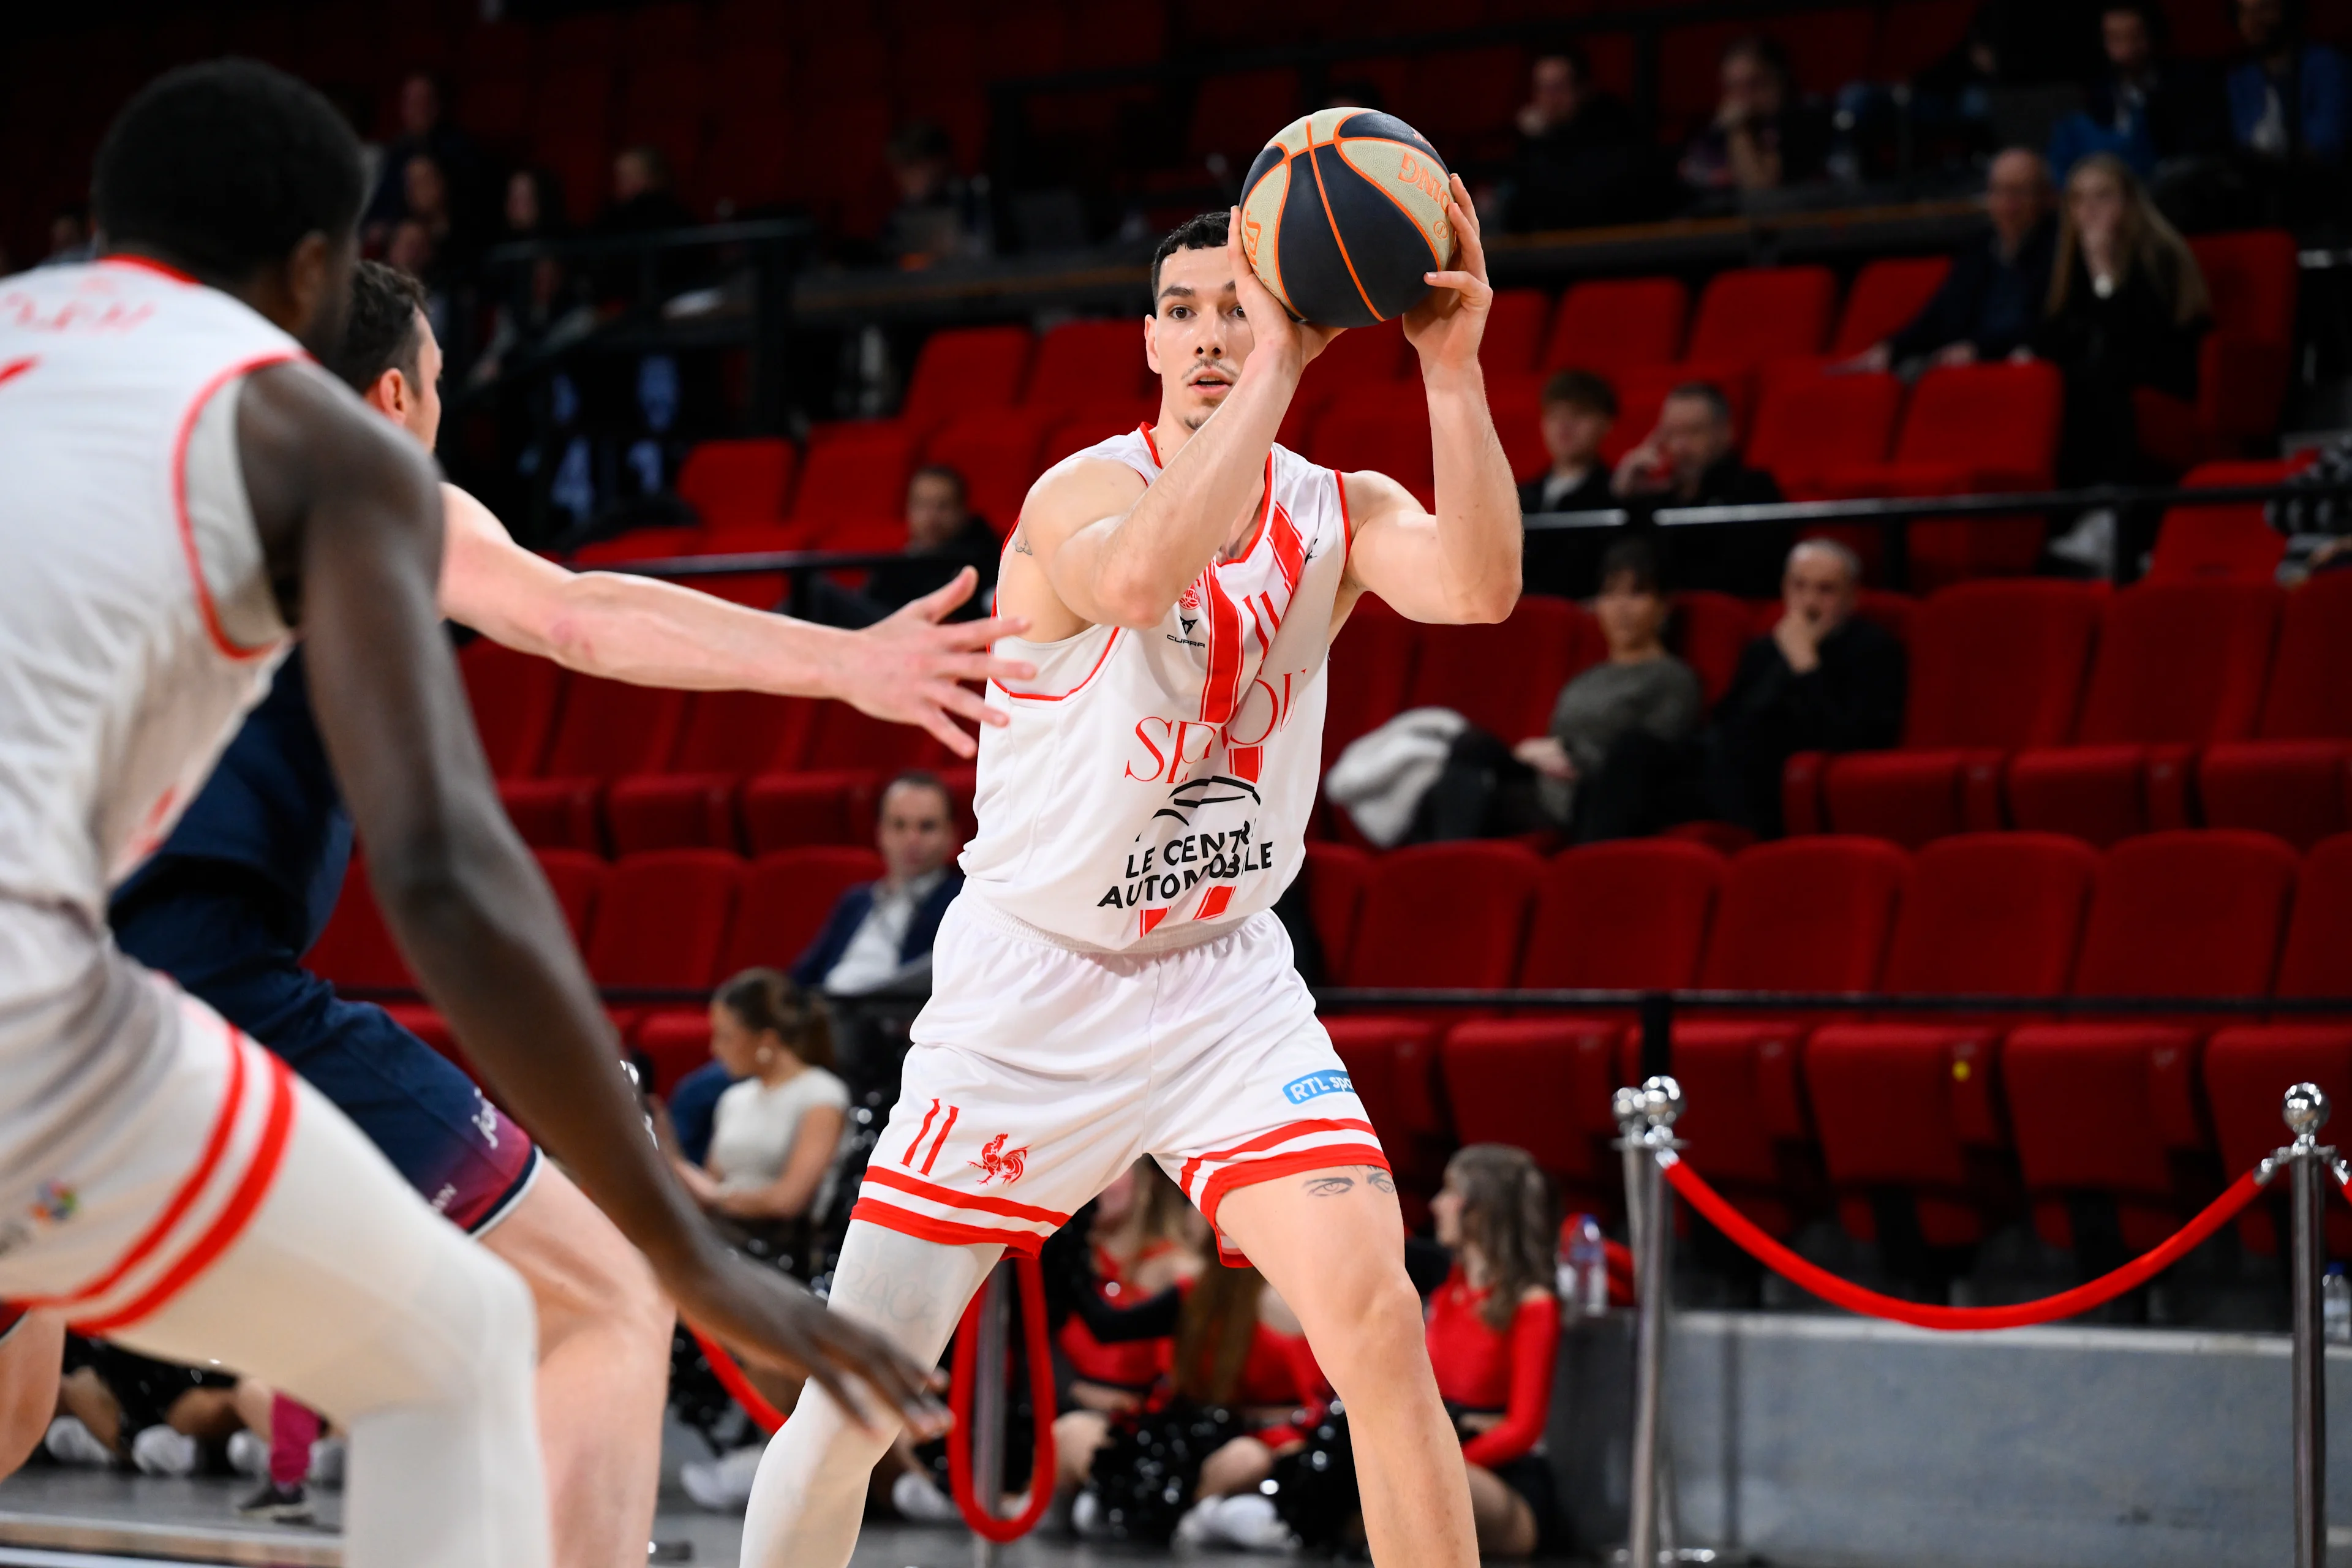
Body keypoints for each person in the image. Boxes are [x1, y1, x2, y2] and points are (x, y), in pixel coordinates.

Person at [0, 59, 943, 1568]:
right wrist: (680, 1232)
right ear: (320, 284)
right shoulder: (312, 439)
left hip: (83, 989)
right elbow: (511, 740)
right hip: (132, 979)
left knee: (15, 1391)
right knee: (597, 1297)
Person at [736, 178, 1521, 1568]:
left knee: (1378, 1324)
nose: (1211, 334)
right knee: (856, 1390)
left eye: (1243, 305)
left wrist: (1449, 374)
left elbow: (1478, 589)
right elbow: (1146, 579)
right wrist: (1286, 349)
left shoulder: (1338, 506)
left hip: (1221, 983)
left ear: (1301, 312)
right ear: (1149, 342)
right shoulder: (1078, 493)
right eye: (1183, 311)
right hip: (1033, 995)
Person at [1054, 1259, 1328, 1549]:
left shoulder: (1292, 1297)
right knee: (1074, 1433)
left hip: (1269, 1438)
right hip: (1187, 1436)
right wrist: (1069, 1258)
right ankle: (1164, 1514)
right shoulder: (1194, 1292)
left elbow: (1316, 1400)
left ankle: (1187, 1517)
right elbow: (1109, 1326)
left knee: (1246, 1460)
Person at [2027, 151, 2209, 489]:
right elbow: (2054, 337)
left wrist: (2104, 274)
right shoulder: (2067, 263)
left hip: (2161, 373)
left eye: (2103, 195)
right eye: (2078, 199)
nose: (2089, 209)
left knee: (2095, 387)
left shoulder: (2160, 254)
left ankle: (2109, 508)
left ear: (2130, 201)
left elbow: (2136, 340)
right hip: (2102, 377)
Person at [1709, 540, 1906, 835]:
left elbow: (1851, 737)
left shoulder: (1873, 649)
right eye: (1799, 587)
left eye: (1825, 590)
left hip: (1789, 767)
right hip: (1735, 765)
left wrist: (1806, 666)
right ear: (1785, 589)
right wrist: (1785, 659)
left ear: (1852, 597)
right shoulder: (1764, 649)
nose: (1809, 603)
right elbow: (1730, 718)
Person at [1512, 540, 1704, 842]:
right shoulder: (1585, 679)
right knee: (1469, 756)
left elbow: (1649, 757)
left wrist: (1572, 753)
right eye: (1611, 593)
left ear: (1663, 606)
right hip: (1545, 788)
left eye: (1637, 593)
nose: (1621, 607)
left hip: (1601, 798)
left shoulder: (1674, 677)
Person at [1849, 148, 2057, 372]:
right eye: (1999, 191)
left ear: (2045, 197)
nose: (2008, 203)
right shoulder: (1980, 247)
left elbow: (2045, 327)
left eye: (2019, 192)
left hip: (2015, 365)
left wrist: (1979, 349)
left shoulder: (2056, 252)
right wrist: (1891, 348)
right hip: (1961, 365)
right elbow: (1940, 314)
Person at [674, 971, 851, 1230]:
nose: (714, 1049)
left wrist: (716, 1197)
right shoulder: (734, 1098)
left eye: (726, 1036)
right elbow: (710, 1185)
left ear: (766, 1040)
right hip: (721, 1236)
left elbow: (789, 1200)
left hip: (776, 1249)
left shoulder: (822, 1094)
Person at [794, 772, 967, 996]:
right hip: (826, 1012)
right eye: (899, 825)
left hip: (889, 1017)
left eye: (926, 827)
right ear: (881, 832)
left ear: (951, 835)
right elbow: (805, 974)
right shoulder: (856, 901)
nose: (911, 839)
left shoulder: (960, 901)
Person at [1611, 382, 1788, 597]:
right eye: (1671, 433)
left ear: (1725, 432)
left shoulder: (1754, 489)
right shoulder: (1654, 498)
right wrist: (1624, 499)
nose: (1680, 446)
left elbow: (1747, 576)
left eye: (1693, 432)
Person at [809, 466, 1003, 627]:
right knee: (812, 596)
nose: (931, 518)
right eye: (922, 505)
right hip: (889, 631)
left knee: (818, 595)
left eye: (943, 506)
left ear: (962, 511)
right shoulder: (904, 558)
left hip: (928, 637)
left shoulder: (983, 556)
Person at [2047, 2, 2223, 179]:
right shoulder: (2096, 94)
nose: (2126, 49)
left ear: (2152, 36)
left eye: (2135, 37)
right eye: (2116, 38)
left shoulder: (2187, 86)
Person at [1498, 47, 1653, 233]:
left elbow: (1577, 202)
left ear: (1582, 89)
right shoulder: (1532, 142)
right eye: (1542, 88)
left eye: (1558, 88)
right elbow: (1517, 214)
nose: (1550, 99)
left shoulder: (1611, 133)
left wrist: (1540, 143)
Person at [1679, 35, 1831, 197]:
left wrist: (1739, 130)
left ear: (1781, 81)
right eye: (1733, 88)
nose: (1743, 99)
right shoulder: (1711, 136)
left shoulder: (1805, 121)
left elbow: (1761, 193)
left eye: (1755, 85)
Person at [1518, 369, 1619, 601]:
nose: (1564, 425)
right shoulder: (1519, 496)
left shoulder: (1616, 496)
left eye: (1579, 414)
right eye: (1554, 415)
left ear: (1606, 423)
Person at [2223, 0, 2347, 168]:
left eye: (2264, 9)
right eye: (2244, 12)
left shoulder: (2326, 65)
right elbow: (2242, 141)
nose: (2253, 21)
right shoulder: (2241, 77)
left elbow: (2327, 142)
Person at [882, 120, 992, 267]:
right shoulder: (901, 214)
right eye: (901, 172)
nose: (905, 180)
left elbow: (981, 253)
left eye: (913, 169)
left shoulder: (972, 200)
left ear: (939, 163)